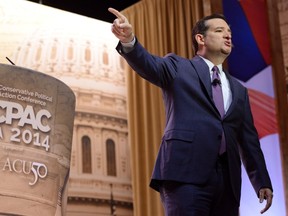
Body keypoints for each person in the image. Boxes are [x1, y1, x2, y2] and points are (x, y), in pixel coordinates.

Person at [108, 7, 273, 216]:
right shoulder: (178, 67)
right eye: (220, 30)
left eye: (229, 31)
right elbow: (148, 64)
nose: (228, 35)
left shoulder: (239, 90)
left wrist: (262, 182)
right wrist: (129, 40)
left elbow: (249, 140)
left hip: (227, 183)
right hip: (185, 175)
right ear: (200, 38)